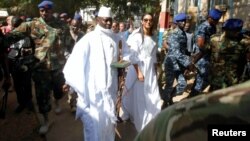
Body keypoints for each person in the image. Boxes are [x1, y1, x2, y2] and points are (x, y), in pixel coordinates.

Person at [10, 0, 71, 134]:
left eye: (47, 10)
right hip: (40, 67)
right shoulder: (32, 25)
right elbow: (13, 35)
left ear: (51, 10)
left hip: (58, 67)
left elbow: (70, 44)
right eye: (42, 10)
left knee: (59, 90)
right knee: (42, 95)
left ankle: (57, 100)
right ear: (39, 11)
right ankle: (46, 121)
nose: (44, 13)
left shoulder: (61, 25)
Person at [63, 6, 119, 141]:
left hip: (109, 91)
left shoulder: (114, 39)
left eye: (110, 20)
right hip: (92, 94)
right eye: (106, 20)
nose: (109, 23)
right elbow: (75, 63)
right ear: (98, 19)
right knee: (93, 129)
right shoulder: (88, 39)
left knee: (108, 125)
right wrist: (69, 84)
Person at [120, 13, 161, 132]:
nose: (148, 22)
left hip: (150, 71)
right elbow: (131, 55)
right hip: (139, 68)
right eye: (146, 20)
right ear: (142, 21)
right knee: (140, 96)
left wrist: (155, 68)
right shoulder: (136, 36)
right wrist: (139, 72)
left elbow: (153, 56)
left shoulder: (153, 35)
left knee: (153, 94)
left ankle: (153, 117)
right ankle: (142, 120)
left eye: (150, 20)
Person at [162, 13, 195, 109]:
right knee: (169, 84)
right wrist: (188, 63)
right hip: (171, 63)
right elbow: (176, 52)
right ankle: (165, 104)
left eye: (185, 21)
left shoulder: (183, 33)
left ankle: (168, 97)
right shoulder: (175, 34)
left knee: (182, 84)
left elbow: (183, 51)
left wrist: (187, 63)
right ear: (177, 22)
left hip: (179, 64)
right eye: (182, 21)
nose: (184, 23)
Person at [189, 8, 223, 98]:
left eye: (218, 20)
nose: (217, 22)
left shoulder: (212, 27)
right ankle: (189, 103)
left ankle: (191, 100)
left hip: (208, 58)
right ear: (210, 18)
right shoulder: (203, 27)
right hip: (201, 58)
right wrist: (212, 48)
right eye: (216, 20)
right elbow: (200, 44)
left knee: (203, 81)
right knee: (201, 83)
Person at [7, 16, 35, 113]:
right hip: (16, 64)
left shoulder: (25, 36)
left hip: (24, 64)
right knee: (20, 85)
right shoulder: (11, 36)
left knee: (24, 84)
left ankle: (27, 103)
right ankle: (24, 103)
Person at [209, 18, 246, 90]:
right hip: (219, 81)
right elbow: (206, 51)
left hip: (231, 81)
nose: (238, 32)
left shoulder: (244, 42)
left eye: (239, 30)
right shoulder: (214, 40)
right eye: (236, 31)